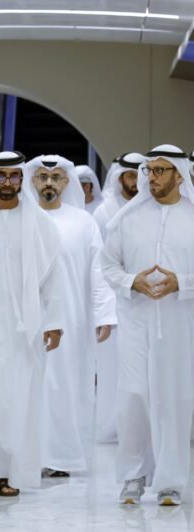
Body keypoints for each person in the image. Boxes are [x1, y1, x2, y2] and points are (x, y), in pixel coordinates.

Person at [102, 145, 194, 506]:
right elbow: (108, 264)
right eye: (149, 170)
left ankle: (171, 482)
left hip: (179, 323)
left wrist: (182, 283)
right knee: (134, 396)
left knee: (174, 399)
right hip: (135, 321)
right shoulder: (127, 218)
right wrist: (131, 282)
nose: (151, 177)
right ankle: (132, 477)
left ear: (178, 174)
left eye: (160, 170)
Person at [0, 151, 64, 497]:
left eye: (15, 176)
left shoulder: (41, 223)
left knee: (19, 397)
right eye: (2, 176)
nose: (8, 183)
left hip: (24, 327)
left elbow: (53, 277)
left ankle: (11, 471)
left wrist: (53, 322)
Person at [24, 155, 116, 477]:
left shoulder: (84, 222)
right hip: (27, 321)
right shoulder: (23, 218)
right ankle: (28, 457)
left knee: (66, 387)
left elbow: (98, 271)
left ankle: (60, 457)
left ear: (67, 183)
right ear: (32, 181)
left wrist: (104, 313)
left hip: (74, 322)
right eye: (42, 177)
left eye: (56, 177)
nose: (49, 182)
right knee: (30, 388)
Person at [92, 152, 144, 443]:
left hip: (143, 299)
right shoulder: (104, 212)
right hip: (112, 301)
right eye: (130, 175)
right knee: (111, 370)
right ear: (119, 177)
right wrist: (102, 310)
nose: (136, 181)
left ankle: (138, 427)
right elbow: (101, 264)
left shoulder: (148, 208)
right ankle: (113, 429)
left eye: (140, 175)